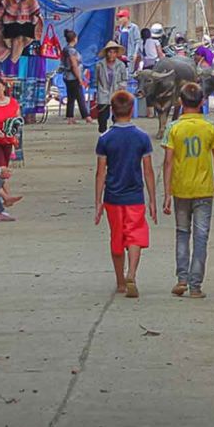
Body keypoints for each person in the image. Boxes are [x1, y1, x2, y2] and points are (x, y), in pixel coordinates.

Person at [161, 82, 214, 299]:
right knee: (201, 236)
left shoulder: (173, 128)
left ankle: (182, 278)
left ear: (180, 101)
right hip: (204, 190)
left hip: (181, 189)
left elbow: (168, 162)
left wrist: (167, 193)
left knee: (182, 233)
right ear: (202, 102)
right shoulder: (209, 128)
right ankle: (195, 286)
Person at [94, 91, 157, 298]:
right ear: (132, 110)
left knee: (117, 237)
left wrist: (98, 202)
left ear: (112, 111)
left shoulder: (105, 139)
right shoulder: (141, 137)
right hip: (135, 196)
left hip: (113, 197)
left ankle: (121, 281)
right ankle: (132, 273)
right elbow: (148, 171)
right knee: (135, 234)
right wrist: (152, 199)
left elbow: (100, 173)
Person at [94, 40, 129, 133]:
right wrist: (97, 92)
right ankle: (103, 134)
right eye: (110, 52)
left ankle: (115, 133)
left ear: (117, 53)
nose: (112, 54)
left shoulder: (121, 65)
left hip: (116, 92)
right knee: (102, 117)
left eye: (114, 52)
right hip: (103, 92)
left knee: (117, 116)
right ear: (106, 53)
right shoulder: (99, 65)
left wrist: (121, 86)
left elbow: (124, 79)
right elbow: (96, 80)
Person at [61, 29, 92, 124]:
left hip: (67, 76)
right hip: (73, 77)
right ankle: (86, 116)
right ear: (75, 39)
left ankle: (70, 117)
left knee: (71, 97)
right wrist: (79, 78)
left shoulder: (65, 49)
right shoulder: (72, 51)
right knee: (80, 96)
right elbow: (74, 65)